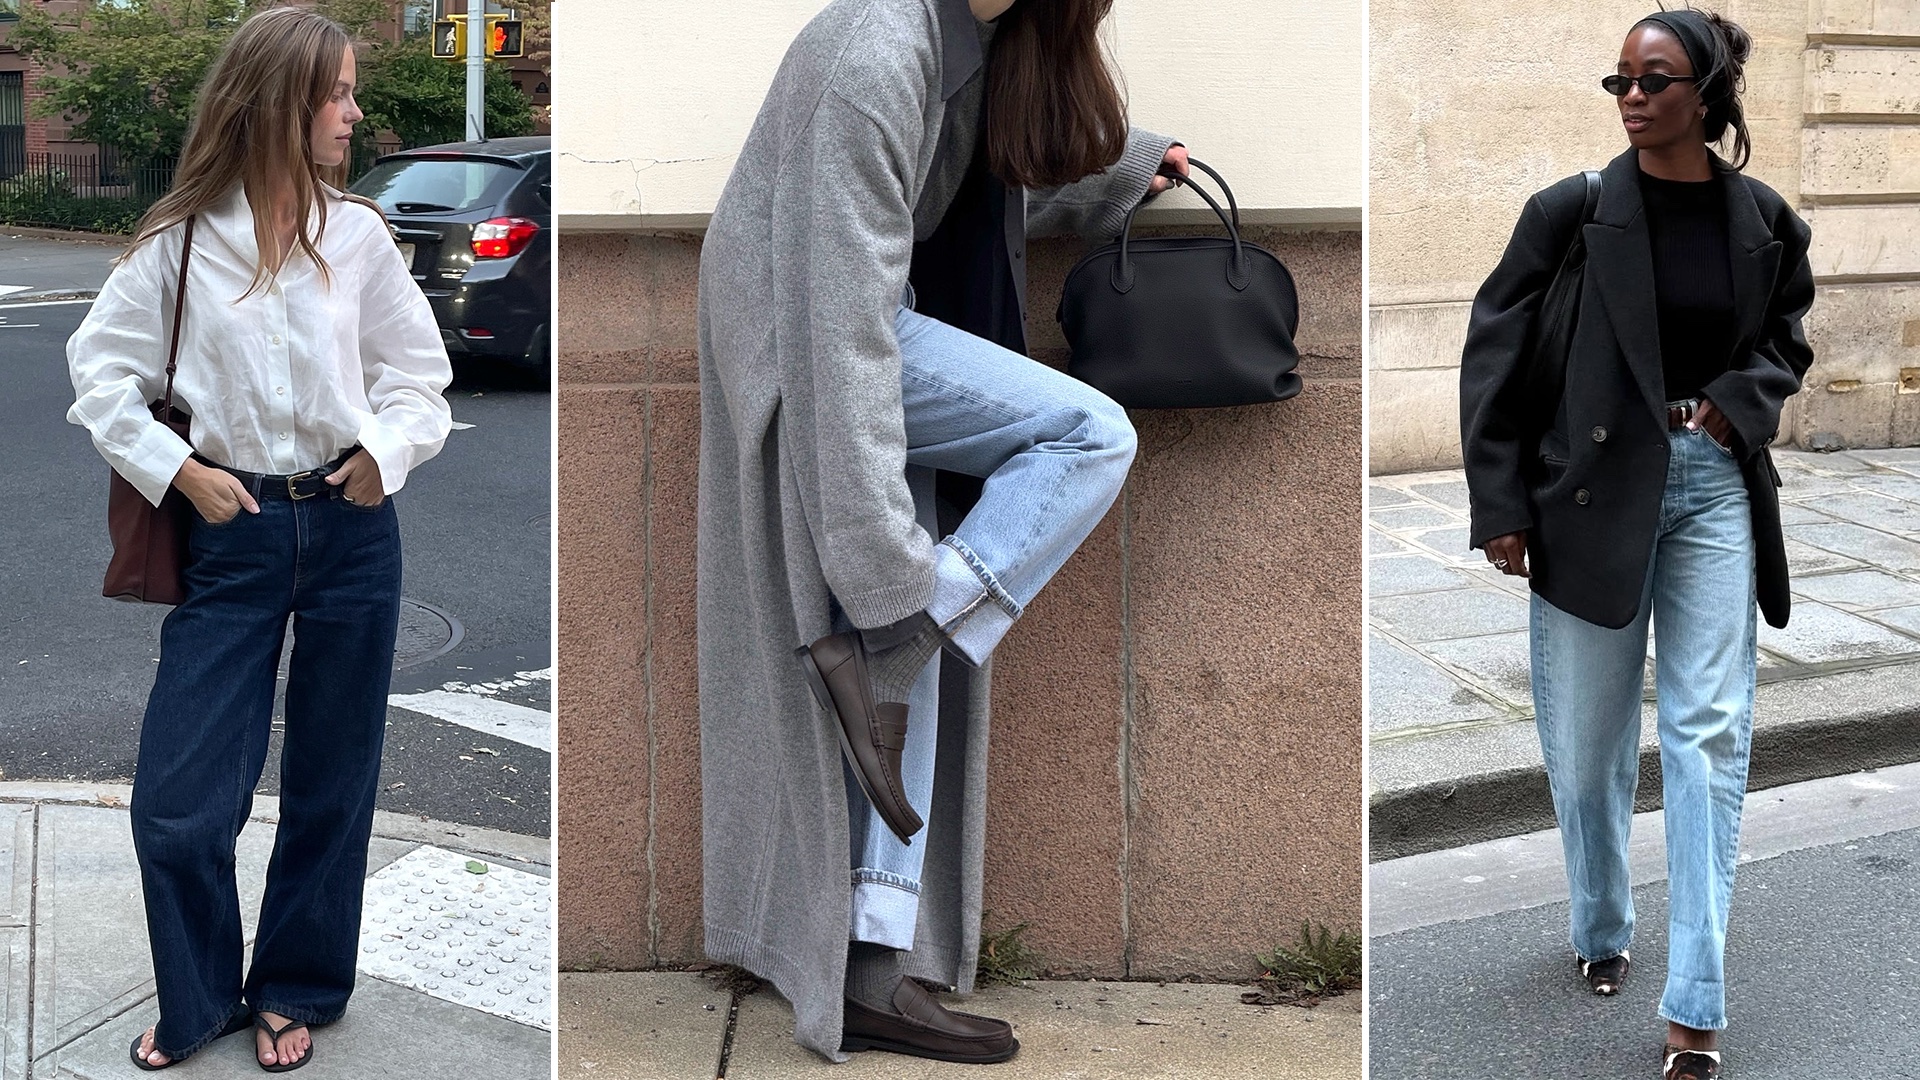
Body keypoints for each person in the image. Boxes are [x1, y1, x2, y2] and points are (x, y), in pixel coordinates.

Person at [694, 0, 1189, 1063]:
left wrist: (1123, 169)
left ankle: (879, 966)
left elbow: (975, 170)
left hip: (868, 318)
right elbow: (838, 327)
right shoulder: (875, 50)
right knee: (1087, 435)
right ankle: (903, 636)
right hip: (807, 340)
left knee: (906, 639)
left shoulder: (976, 39)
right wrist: (883, 572)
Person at [65, 8, 452, 1071]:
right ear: (280, 102)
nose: (355, 112)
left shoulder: (356, 236)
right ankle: (199, 998)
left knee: (335, 774)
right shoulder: (181, 243)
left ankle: (296, 987)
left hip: (353, 528)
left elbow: (420, 378)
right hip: (231, 531)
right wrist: (180, 472)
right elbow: (100, 377)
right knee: (180, 803)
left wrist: (384, 453)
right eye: (338, 92)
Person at [1459, 8, 1814, 1079]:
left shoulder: (1763, 218)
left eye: (1654, 80)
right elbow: (1494, 350)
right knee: (1587, 746)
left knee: (1707, 736)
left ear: (1706, 93)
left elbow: (1785, 336)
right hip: (1587, 493)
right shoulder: (1569, 212)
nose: (1631, 97)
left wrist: (1736, 406)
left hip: (1711, 487)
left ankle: (1695, 1009)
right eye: (1619, 79)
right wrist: (1501, 503)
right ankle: (1601, 922)